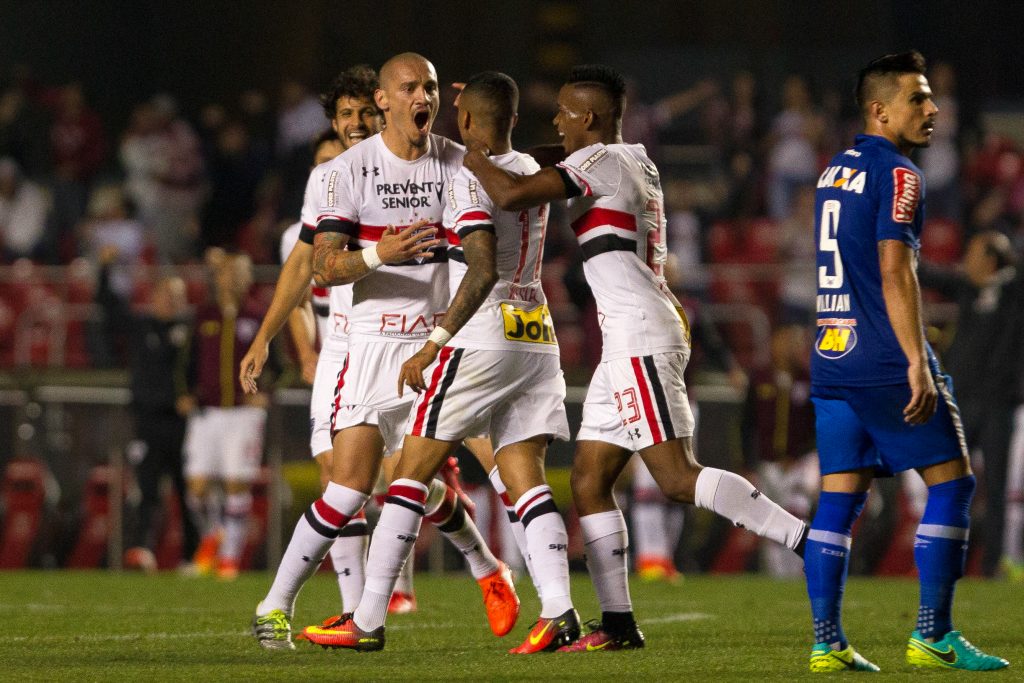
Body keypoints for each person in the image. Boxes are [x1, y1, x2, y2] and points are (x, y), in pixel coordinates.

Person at [462, 64, 809, 652]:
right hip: (628, 337)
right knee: (590, 481)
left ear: (590, 119)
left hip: (641, 334)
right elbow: (544, 155)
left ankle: (809, 540)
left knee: (675, 478)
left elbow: (514, 191)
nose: (557, 121)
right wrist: (502, 135)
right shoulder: (627, 157)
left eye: (567, 112)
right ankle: (619, 624)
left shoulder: (601, 162)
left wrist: (470, 152)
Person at [248, 54, 518, 650]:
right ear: (384, 98)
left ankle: (513, 587)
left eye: (428, 86)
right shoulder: (339, 174)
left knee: (448, 476)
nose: (422, 94)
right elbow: (316, 266)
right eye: (409, 86)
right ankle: (280, 605)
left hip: (438, 347)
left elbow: (487, 247)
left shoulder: (456, 163)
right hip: (362, 350)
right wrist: (377, 256)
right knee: (347, 488)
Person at [303, 71, 577, 654]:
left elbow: (480, 267)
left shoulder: (467, 178)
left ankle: (368, 618)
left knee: (407, 476)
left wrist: (435, 342)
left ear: (469, 123)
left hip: (482, 337)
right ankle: (560, 609)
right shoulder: (531, 169)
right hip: (537, 334)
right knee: (526, 480)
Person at [804, 51, 1007, 672]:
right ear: (879, 109)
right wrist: (918, 360)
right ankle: (933, 633)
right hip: (886, 361)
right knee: (956, 485)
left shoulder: (833, 170)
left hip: (832, 360)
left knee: (839, 500)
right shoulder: (900, 175)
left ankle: (826, 643)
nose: (932, 109)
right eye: (917, 99)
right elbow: (895, 269)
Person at [919, 231, 1024, 577]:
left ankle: (991, 565)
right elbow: (929, 275)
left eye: (975, 254)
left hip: (998, 404)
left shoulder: (1015, 291)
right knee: (950, 484)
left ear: (993, 259)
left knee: (995, 489)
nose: (966, 261)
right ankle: (946, 563)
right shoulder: (967, 288)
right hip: (961, 401)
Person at [94, 246, 198, 569]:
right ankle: (142, 549)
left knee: (188, 494)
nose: (172, 300)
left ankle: (192, 557)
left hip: (181, 423)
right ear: (154, 297)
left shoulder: (191, 332)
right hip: (148, 421)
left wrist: (194, 395)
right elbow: (108, 306)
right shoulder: (141, 327)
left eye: (177, 295)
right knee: (147, 489)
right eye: (167, 294)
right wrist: (104, 270)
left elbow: (201, 372)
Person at [181, 250, 268, 580]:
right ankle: (214, 533)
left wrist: (266, 394)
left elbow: (281, 366)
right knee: (197, 488)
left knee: (235, 483)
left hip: (243, 414)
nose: (232, 278)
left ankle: (230, 557)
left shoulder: (259, 316)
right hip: (207, 413)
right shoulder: (204, 314)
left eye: (239, 272)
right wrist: (184, 393)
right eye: (228, 272)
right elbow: (185, 360)